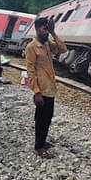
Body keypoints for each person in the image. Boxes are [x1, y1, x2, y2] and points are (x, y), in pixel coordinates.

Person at [25, 17, 67, 158]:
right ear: (37, 29)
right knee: (41, 119)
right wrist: (36, 92)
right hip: (42, 90)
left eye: (47, 29)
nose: (46, 32)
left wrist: (54, 33)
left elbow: (63, 49)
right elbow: (30, 71)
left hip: (50, 89)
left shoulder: (48, 44)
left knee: (47, 118)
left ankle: (42, 141)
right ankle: (38, 147)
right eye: (44, 29)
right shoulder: (32, 47)